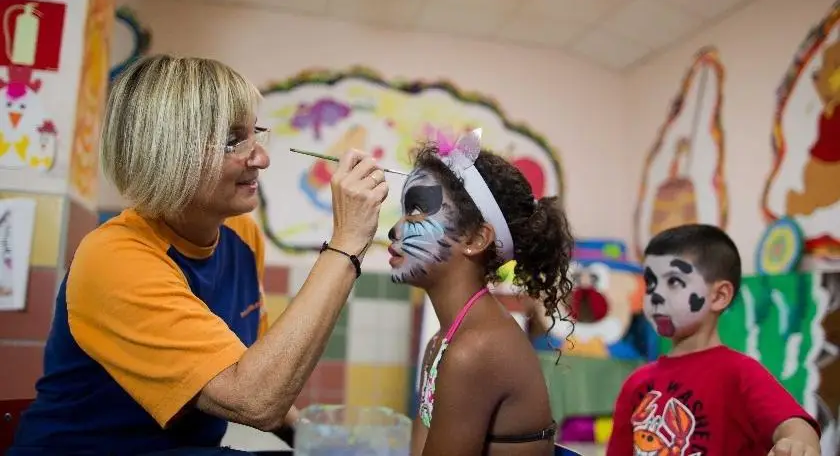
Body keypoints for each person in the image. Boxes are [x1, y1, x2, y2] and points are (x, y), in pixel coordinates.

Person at [8, 54, 389, 456]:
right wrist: (346, 242)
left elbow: (258, 370)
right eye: (233, 141)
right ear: (167, 154)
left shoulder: (241, 236)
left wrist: (325, 446)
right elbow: (255, 398)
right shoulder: (114, 259)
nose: (261, 158)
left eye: (255, 134)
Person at [388, 129, 575, 455]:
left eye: (417, 209)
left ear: (476, 239)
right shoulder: (443, 341)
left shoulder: (475, 349)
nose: (395, 227)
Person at [606, 224, 821, 456]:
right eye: (651, 283)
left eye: (674, 282)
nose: (656, 296)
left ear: (719, 296)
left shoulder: (739, 372)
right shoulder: (636, 383)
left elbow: (795, 426)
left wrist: (797, 443)